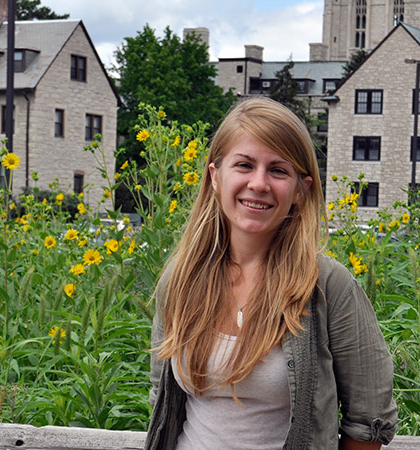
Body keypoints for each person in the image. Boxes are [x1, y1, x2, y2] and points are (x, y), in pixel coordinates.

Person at [145, 97, 397, 450]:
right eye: (244, 165)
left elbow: (368, 421)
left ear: (300, 189)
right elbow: (162, 397)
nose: (259, 183)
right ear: (215, 177)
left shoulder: (328, 286)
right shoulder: (180, 279)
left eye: (278, 170)